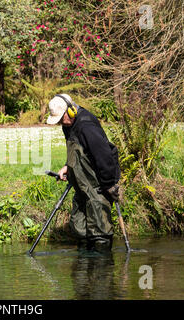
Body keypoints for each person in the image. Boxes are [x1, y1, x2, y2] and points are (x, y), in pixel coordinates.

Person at [46, 93, 121, 252]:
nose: (60, 123)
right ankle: (85, 269)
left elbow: (105, 156)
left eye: (61, 119)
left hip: (97, 186)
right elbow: (78, 151)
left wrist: (110, 185)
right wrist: (68, 166)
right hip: (82, 185)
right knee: (79, 227)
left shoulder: (87, 126)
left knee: (100, 231)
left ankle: (101, 268)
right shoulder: (68, 125)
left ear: (70, 111)